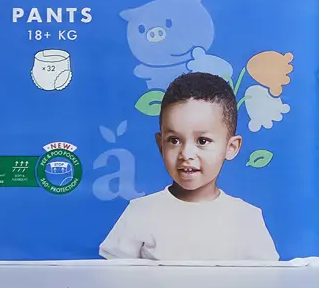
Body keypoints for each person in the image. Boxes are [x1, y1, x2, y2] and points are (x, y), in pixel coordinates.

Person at [99, 72, 278, 263]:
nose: (186, 154)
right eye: (174, 140)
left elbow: (266, 278)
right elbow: (112, 276)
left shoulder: (247, 218)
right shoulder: (140, 213)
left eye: (202, 141)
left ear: (231, 147)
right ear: (161, 145)